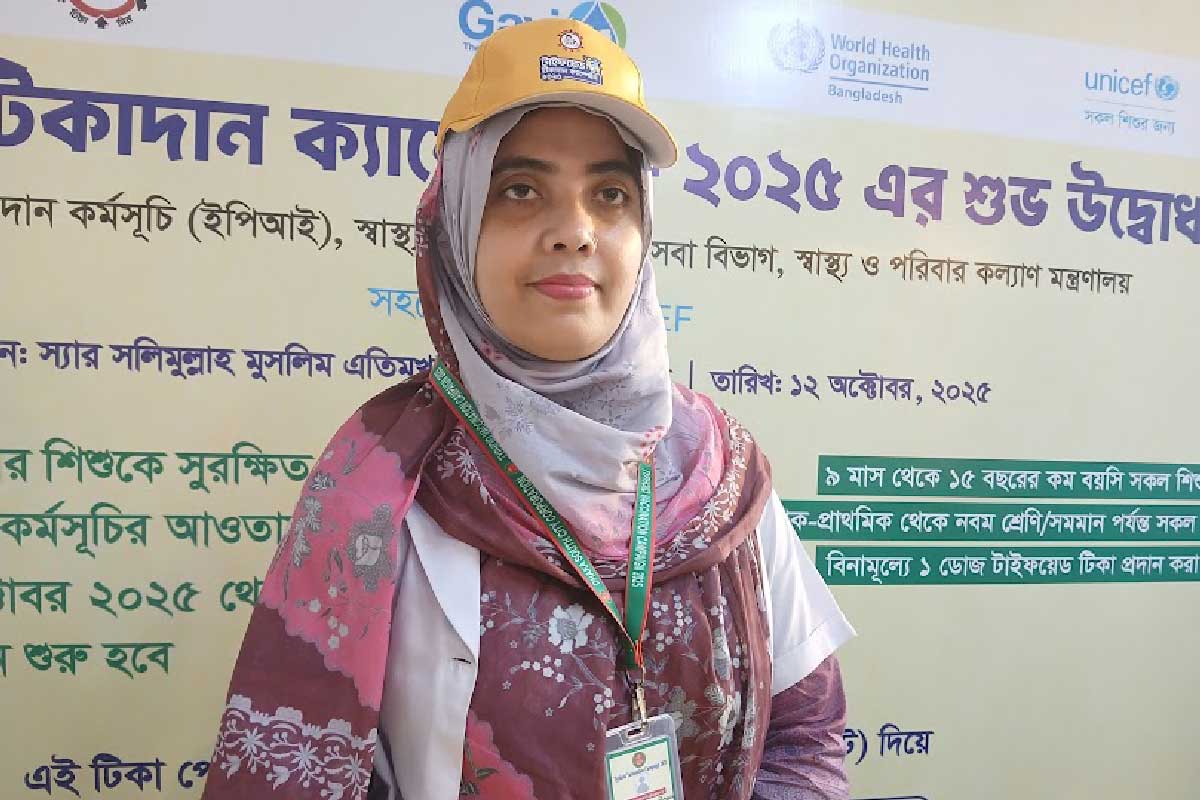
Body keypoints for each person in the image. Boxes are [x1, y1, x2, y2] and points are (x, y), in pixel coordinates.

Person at [200, 18, 854, 800]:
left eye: (609, 194)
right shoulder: (377, 479)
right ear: (457, 225)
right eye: (520, 190)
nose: (574, 232)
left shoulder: (721, 469)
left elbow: (804, 736)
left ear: (643, 232)